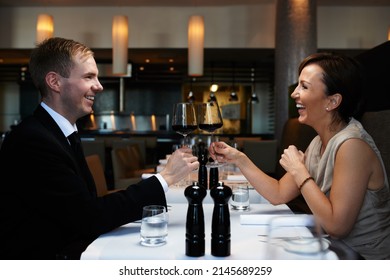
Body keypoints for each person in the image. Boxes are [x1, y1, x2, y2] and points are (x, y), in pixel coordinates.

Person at [0, 37, 199, 260]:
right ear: (54, 82)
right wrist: (166, 177)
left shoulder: (58, 132)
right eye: (88, 77)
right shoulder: (33, 141)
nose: (99, 86)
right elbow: (89, 218)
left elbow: (84, 209)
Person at [210, 53, 390, 260]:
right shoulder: (318, 142)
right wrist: (238, 158)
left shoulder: (352, 146)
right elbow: (278, 194)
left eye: (304, 87)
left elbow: (337, 227)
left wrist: (298, 170)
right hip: (333, 249)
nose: (294, 93)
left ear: (332, 101)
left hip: (363, 260)